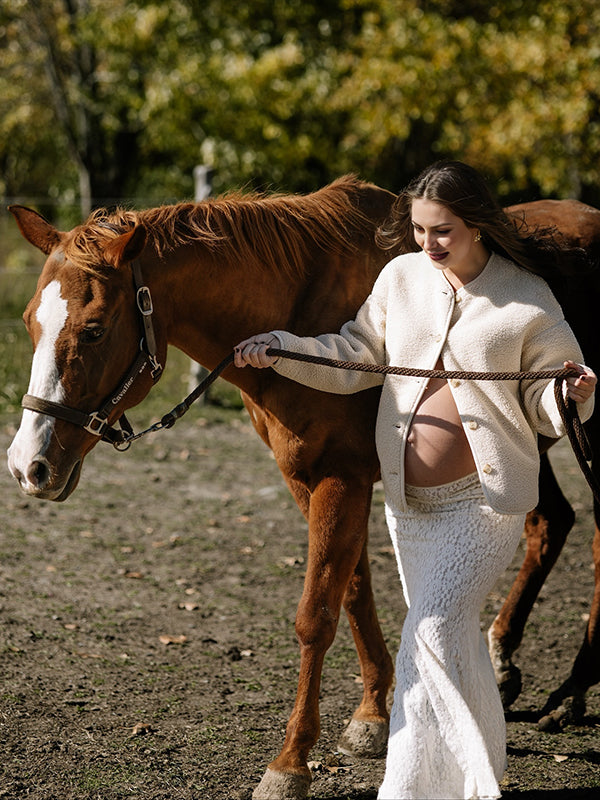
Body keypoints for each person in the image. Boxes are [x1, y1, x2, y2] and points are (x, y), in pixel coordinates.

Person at [233, 161, 596, 800]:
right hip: (411, 507)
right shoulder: (401, 278)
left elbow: (545, 400)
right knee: (456, 640)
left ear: (479, 226)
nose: (428, 244)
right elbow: (355, 357)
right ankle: (483, 769)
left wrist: (573, 395)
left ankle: (422, 790)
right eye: (421, 230)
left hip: (483, 505)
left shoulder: (525, 300)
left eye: (443, 231)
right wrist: (284, 348)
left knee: (428, 635)